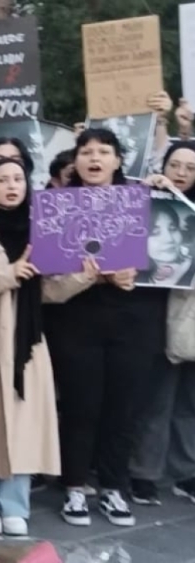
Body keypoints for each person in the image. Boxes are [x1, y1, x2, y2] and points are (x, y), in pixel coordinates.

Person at [45, 128, 158, 528]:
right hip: (75, 322)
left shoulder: (145, 200)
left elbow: (171, 256)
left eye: (104, 152)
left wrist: (136, 272)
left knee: (122, 409)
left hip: (133, 324)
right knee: (81, 407)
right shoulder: (57, 205)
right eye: (86, 151)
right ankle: (75, 488)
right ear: (74, 161)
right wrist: (87, 275)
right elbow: (47, 281)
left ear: (118, 160)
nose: (95, 158)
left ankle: (114, 488)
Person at [0, 158, 67, 537]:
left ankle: (15, 505)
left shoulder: (42, 233)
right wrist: (10, 274)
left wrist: (88, 275)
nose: (11, 185)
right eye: (2, 179)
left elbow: (50, 291)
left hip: (28, 343)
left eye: (18, 179)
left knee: (24, 426)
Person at [133, 140, 195, 505]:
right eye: (177, 165)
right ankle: (144, 473)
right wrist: (145, 192)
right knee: (156, 399)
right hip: (153, 315)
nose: (182, 173)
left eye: (191, 167)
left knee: (190, 403)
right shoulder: (146, 199)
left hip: (190, 319)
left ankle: (186, 473)